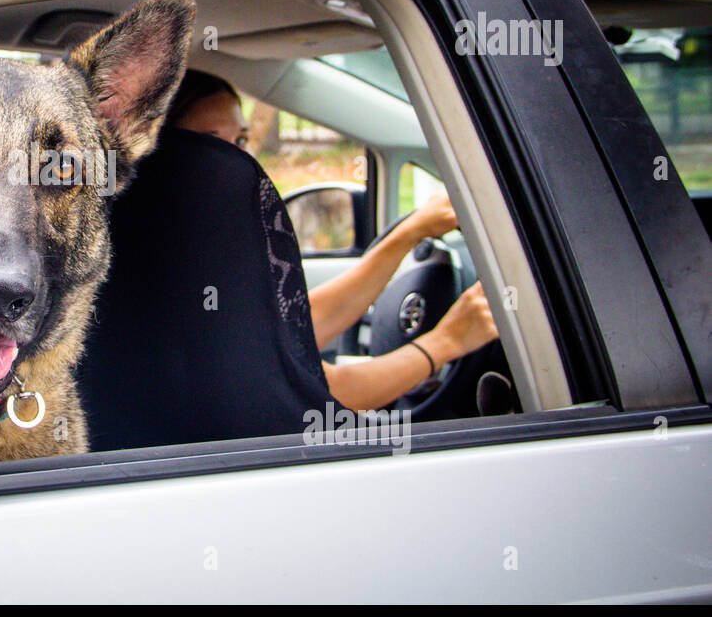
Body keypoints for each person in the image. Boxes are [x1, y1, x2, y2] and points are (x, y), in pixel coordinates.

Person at [167, 70, 499, 411]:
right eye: (210, 142)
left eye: (240, 141)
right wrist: (450, 339)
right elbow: (328, 394)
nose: (241, 160)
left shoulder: (195, 248)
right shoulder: (183, 270)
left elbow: (293, 330)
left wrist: (409, 233)